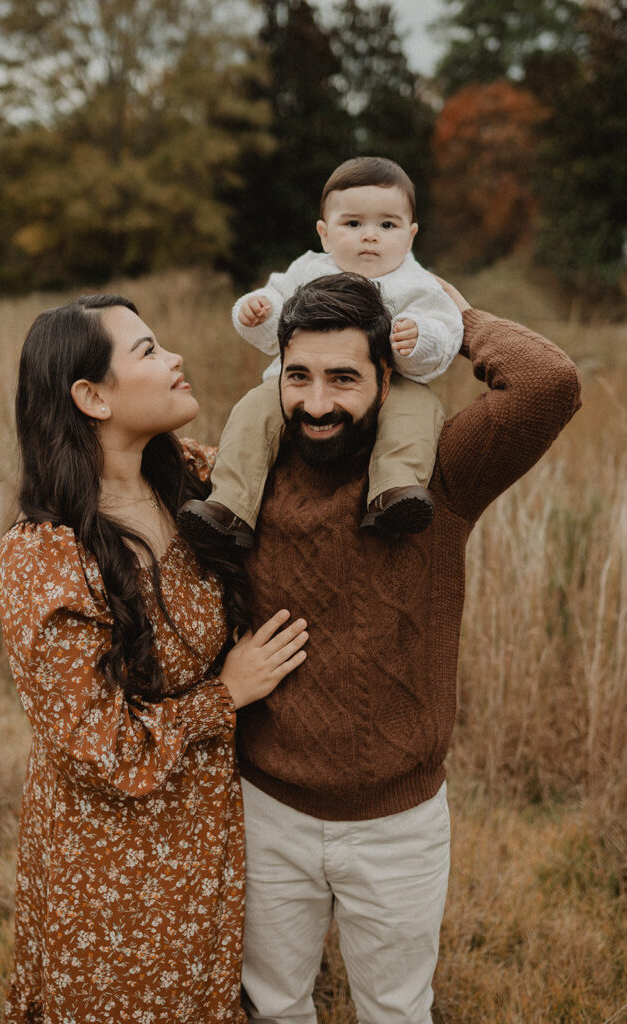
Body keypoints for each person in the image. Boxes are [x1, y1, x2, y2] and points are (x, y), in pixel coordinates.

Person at [234, 273, 582, 1024]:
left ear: (387, 379)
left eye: (344, 378)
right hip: (266, 809)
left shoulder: (436, 474)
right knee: (273, 1006)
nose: (317, 403)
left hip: (398, 823)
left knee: (395, 1010)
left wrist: (459, 320)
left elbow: (549, 384)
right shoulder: (248, 473)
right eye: (299, 376)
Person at [0, 293, 308, 1024]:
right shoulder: (45, 556)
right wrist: (226, 695)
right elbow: (96, 748)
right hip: (110, 859)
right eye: (146, 351)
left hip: (211, 828)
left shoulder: (197, 483)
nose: (174, 360)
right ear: (92, 396)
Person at [179, 156, 463, 547]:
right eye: (353, 223)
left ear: (410, 235)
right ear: (325, 233)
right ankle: (229, 506)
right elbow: (278, 318)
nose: (370, 235)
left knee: (415, 416)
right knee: (252, 413)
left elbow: (446, 328)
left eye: (387, 224)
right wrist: (258, 312)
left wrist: (421, 338)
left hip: (396, 383)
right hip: (299, 380)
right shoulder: (307, 270)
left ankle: (394, 492)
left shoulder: (418, 284)